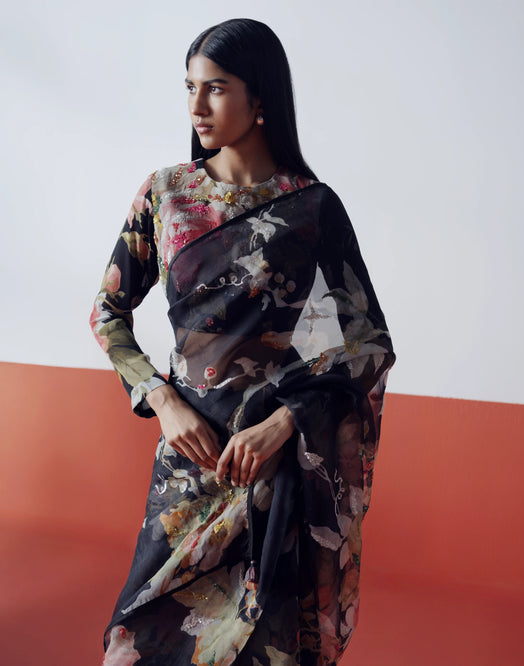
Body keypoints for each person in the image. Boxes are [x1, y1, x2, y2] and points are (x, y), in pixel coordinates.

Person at [90, 17, 395, 666]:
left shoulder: (311, 208)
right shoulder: (167, 195)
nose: (196, 106)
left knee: (264, 647)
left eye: (216, 88)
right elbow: (107, 313)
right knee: (136, 645)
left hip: (268, 469)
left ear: (260, 98)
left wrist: (284, 424)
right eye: (189, 88)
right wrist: (162, 402)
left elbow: (366, 342)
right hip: (188, 466)